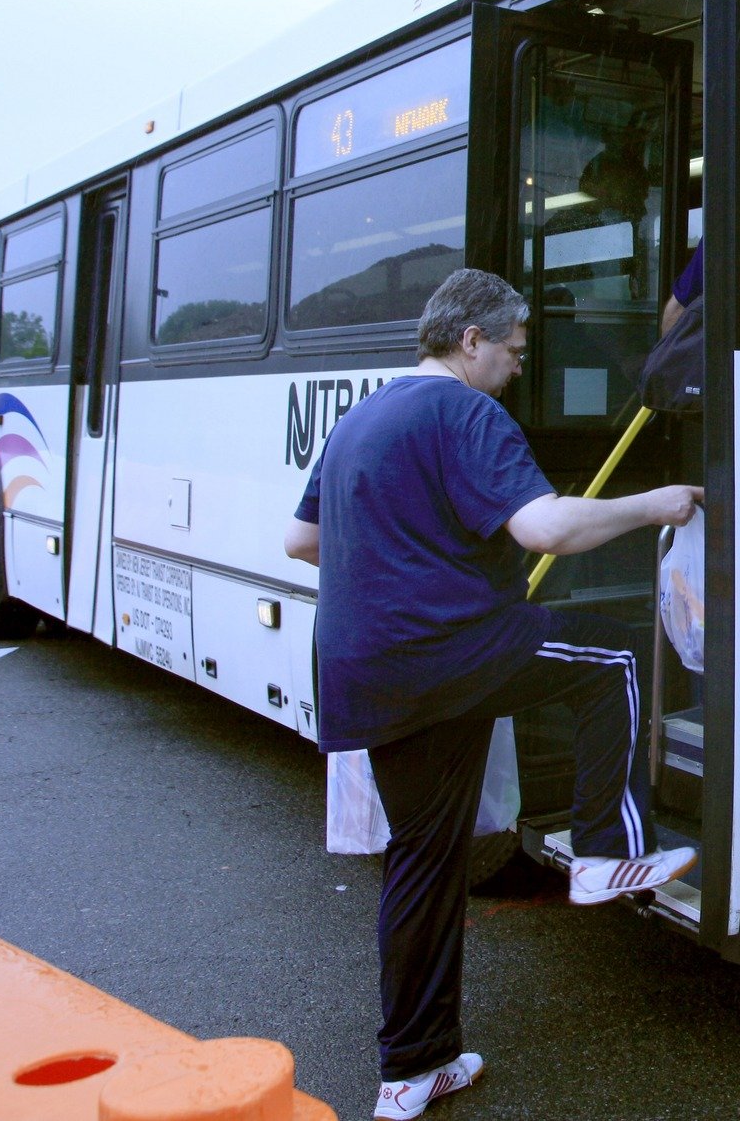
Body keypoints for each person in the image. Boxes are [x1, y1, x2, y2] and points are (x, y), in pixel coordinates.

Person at [285, 267, 700, 1120]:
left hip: (368, 672)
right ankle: (601, 852)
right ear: (469, 341)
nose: (517, 368)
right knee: (615, 662)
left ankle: (410, 1068)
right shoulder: (465, 410)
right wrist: (653, 503)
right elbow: (544, 526)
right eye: (511, 351)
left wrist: (403, 570)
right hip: (452, 649)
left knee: (422, 860)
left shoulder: (360, 416)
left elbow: (301, 540)